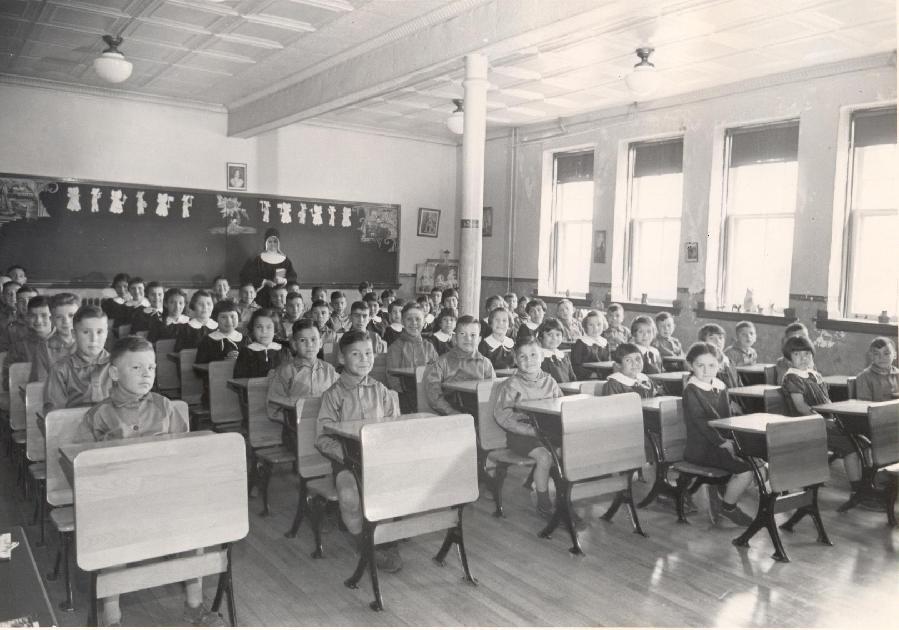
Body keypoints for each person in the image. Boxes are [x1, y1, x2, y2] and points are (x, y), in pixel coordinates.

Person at [75, 336, 224, 627]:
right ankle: (112, 617)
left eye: (152, 367)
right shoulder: (99, 415)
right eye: (137, 368)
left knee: (194, 529)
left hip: (165, 498)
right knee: (112, 536)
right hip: (119, 503)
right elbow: (83, 467)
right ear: (115, 374)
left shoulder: (165, 406)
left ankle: (194, 606)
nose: (147, 374)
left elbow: (186, 453)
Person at [315, 330, 402, 573]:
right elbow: (322, 437)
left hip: (379, 459)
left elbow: (394, 428)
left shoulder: (382, 390)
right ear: (342, 359)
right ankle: (363, 541)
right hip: (346, 460)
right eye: (356, 354)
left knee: (395, 488)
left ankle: (385, 539)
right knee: (349, 496)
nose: (364, 359)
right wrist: (347, 457)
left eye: (368, 353)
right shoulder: (333, 395)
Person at [493, 335, 572, 522]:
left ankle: (565, 501)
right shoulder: (511, 385)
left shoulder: (550, 382)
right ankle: (544, 502)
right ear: (515, 359)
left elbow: (560, 406)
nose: (529, 361)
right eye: (523, 357)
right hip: (521, 435)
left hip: (547, 432)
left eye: (533, 355)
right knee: (544, 457)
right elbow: (503, 416)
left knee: (567, 451)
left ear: (542, 357)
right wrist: (529, 430)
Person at [681, 342, 755, 526]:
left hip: (720, 443)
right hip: (700, 448)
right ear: (690, 366)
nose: (706, 370)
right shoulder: (691, 390)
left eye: (712, 365)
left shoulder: (720, 387)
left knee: (757, 461)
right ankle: (728, 507)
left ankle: (727, 496)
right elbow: (700, 423)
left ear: (720, 365)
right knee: (746, 470)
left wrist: (732, 440)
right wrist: (722, 442)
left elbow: (726, 419)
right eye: (700, 365)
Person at [780, 335, 863, 495]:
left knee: (860, 436)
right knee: (852, 447)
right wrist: (823, 421)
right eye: (797, 355)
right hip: (806, 424)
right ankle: (858, 489)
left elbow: (826, 400)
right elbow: (801, 407)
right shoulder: (792, 377)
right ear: (789, 360)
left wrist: (837, 416)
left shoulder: (814, 375)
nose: (803, 358)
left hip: (823, 421)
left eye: (807, 354)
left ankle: (865, 482)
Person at [44, 305, 112, 413]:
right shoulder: (60, 369)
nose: (93, 339)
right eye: (86, 332)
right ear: (74, 334)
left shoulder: (118, 365)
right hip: (73, 426)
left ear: (107, 333)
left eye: (99, 332)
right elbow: (55, 415)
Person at [267, 318, 339, 420]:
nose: (309, 345)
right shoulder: (285, 371)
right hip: (295, 428)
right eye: (302, 340)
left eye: (313, 339)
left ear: (321, 343)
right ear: (294, 345)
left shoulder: (329, 370)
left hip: (326, 425)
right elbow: (273, 406)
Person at [424, 315, 495, 415]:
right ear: (455, 338)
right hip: (451, 413)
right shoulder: (442, 362)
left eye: (473, 335)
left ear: (479, 339)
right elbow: (433, 394)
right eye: (462, 334)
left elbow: (492, 392)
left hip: (480, 413)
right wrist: (451, 412)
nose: (468, 338)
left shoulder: (485, 363)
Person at [386, 302, 438, 413]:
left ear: (424, 322)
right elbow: (393, 379)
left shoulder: (429, 346)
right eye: (409, 319)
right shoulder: (395, 347)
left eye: (418, 319)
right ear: (402, 322)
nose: (414, 323)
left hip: (429, 395)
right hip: (405, 397)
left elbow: (437, 373)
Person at [239, 228, 297, 308]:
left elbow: (293, 276)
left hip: (279, 298)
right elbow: (246, 276)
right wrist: (265, 281)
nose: (272, 244)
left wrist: (284, 280)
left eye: (275, 241)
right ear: (265, 242)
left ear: (278, 243)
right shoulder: (258, 259)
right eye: (270, 241)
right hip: (262, 296)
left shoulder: (285, 260)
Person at [3, 294, 54, 384]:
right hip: (30, 394)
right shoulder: (18, 346)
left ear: (53, 316)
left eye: (44, 315)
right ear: (27, 317)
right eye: (33, 316)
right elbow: (8, 380)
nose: (38, 320)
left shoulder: (66, 342)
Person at [233, 308, 284, 379]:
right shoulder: (246, 352)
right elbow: (239, 379)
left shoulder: (284, 351)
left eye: (269, 327)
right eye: (259, 327)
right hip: (253, 389)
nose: (264, 331)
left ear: (275, 330)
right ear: (252, 330)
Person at [195, 300, 244, 364]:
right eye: (223, 317)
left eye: (232, 316)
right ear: (216, 319)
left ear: (238, 317)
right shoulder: (207, 341)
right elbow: (199, 366)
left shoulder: (245, 339)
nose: (229, 321)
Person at [855, 337, 899, 401]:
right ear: (871, 356)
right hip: (876, 410)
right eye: (876, 354)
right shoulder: (863, 377)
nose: (881, 358)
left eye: (886, 353)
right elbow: (864, 406)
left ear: (895, 355)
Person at [570, 310, 610, 380]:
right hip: (586, 378)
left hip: (602, 378)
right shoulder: (581, 343)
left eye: (599, 324)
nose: (595, 328)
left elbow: (608, 365)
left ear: (603, 325)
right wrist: (592, 375)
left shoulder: (605, 343)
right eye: (591, 325)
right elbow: (575, 366)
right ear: (585, 326)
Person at [45, 293, 80, 372]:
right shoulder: (45, 347)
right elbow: (42, 381)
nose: (66, 321)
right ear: (52, 320)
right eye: (59, 317)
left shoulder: (90, 344)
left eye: (71, 316)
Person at [537, 318, 576, 384]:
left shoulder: (563, 356)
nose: (554, 338)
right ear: (541, 336)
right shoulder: (539, 357)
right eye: (549, 334)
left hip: (568, 391)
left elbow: (572, 378)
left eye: (558, 335)